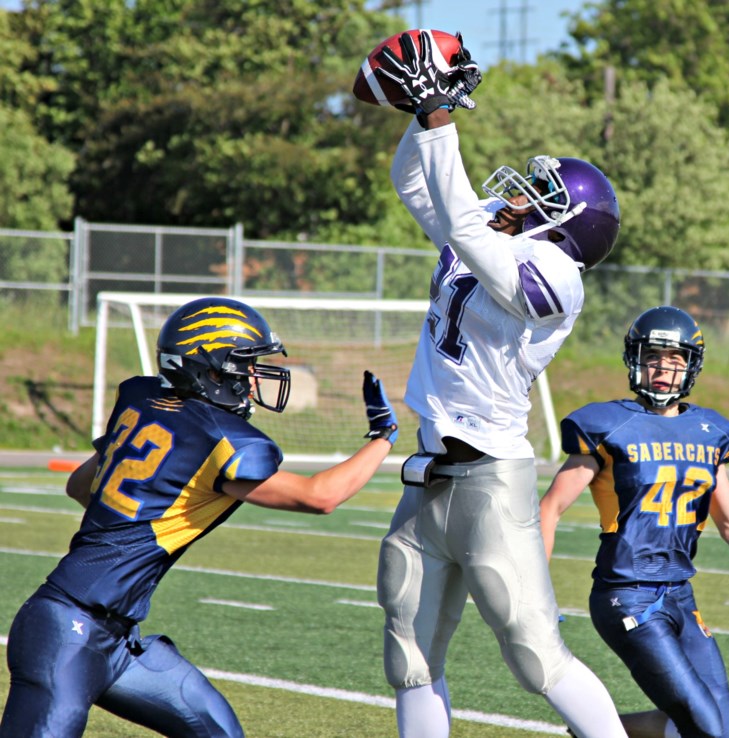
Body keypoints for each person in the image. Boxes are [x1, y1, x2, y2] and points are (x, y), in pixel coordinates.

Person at [370, 29, 627, 738]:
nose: (519, 194)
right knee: (410, 654)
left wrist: (441, 117)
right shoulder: (490, 230)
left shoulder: (558, 278)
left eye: (541, 193)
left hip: (490, 479)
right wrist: (421, 108)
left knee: (535, 657)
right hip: (429, 477)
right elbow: (418, 184)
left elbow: (463, 224)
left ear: (566, 224)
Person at [0, 296, 399, 738]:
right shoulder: (222, 440)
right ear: (210, 369)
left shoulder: (142, 398)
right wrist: (383, 436)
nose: (251, 379)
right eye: (243, 365)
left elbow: (79, 486)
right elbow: (320, 496)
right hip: (68, 632)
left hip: (114, 640)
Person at [540, 305, 729, 738]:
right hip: (628, 596)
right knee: (707, 730)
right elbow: (550, 509)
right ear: (634, 360)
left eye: (675, 360)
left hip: (680, 595)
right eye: (653, 357)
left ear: (691, 367)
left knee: (716, 728)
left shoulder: (709, 432)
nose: (663, 368)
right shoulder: (607, 424)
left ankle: (594, 731)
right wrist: (536, 596)